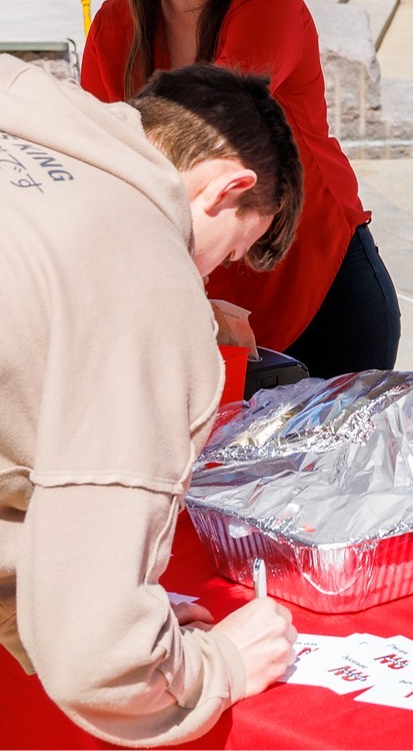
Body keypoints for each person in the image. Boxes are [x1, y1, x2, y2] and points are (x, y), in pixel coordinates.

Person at [0, 56, 303, 745]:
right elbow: (98, 659)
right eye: (231, 252)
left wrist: (73, 581)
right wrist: (221, 663)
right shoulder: (147, 280)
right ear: (229, 188)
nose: (211, 274)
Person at [81, 0, 401, 375]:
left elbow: (210, 123)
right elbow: (99, 170)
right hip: (200, 295)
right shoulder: (112, 27)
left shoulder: (269, 4)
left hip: (320, 286)